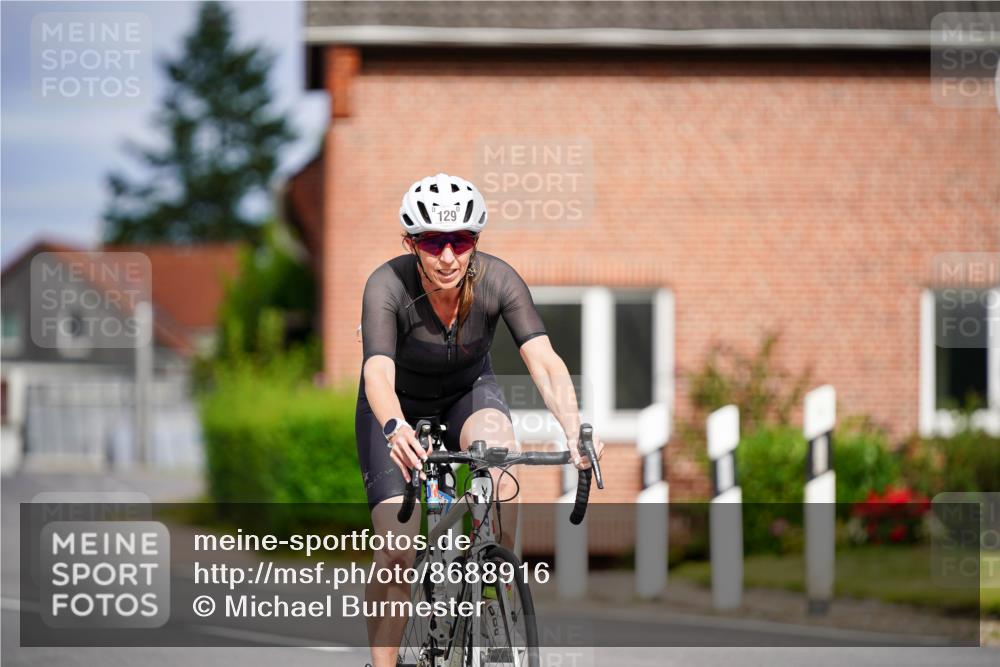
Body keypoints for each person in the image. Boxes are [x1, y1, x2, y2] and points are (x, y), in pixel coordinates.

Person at [355, 172, 604, 667]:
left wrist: (574, 427)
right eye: (432, 242)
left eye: (461, 240)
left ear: (475, 241)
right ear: (411, 243)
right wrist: (394, 428)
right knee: (397, 553)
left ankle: (491, 606)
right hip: (396, 409)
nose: (448, 256)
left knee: (499, 469)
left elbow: (545, 360)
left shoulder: (498, 280)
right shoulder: (386, 285)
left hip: (469, 394)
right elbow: (377, 372)